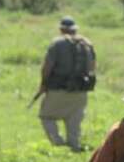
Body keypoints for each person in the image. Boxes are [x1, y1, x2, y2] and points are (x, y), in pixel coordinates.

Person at [38, 15, 96, 151]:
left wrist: (43, 84)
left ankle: (58, 144)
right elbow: (93, 66)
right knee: (74, 120)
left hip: (58, 88)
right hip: (81, 89)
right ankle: (74, 146)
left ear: (61, 29)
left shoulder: (57, 44)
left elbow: (47, 66)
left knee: (46, 116)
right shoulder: (87, 43)